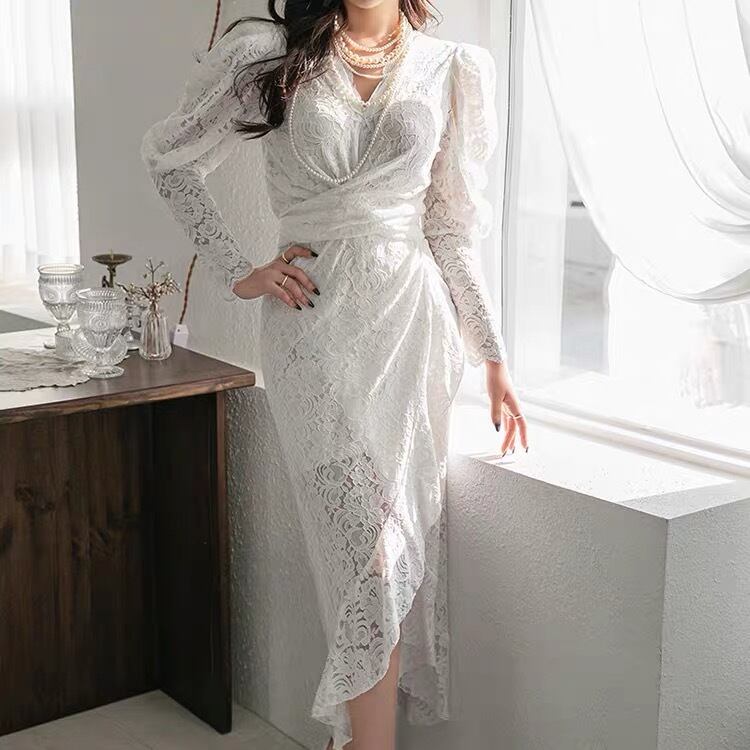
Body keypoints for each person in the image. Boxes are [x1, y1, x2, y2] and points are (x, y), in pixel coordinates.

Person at [142, 1, 528, 747]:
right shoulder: (268, 51)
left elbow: (449, 226)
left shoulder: (450, 68)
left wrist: (492, 353)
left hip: (410, 331)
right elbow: (170, 159)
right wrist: (240, 272)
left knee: (386, 553)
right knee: (368, 559)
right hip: (312, 332)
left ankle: (352, 741)